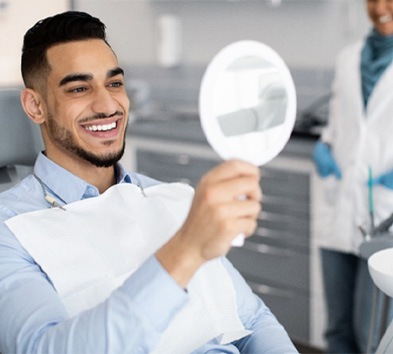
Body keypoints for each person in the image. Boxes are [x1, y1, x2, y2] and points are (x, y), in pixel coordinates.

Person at [0, 11, 298, 354]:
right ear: (35, 105)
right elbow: (45, 348)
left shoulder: (171, 197)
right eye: (79, 88)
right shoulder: (10, 232)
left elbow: (253, 319)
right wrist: (185, 249)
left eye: (114, 83)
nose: (107, 104)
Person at [312, 0, 393, 352]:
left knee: (370, 333)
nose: (380, 7)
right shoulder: (348, 57)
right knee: (337, 330)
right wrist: (324, 147)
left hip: (385, 214)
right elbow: (337, 125)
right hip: (340, 204)